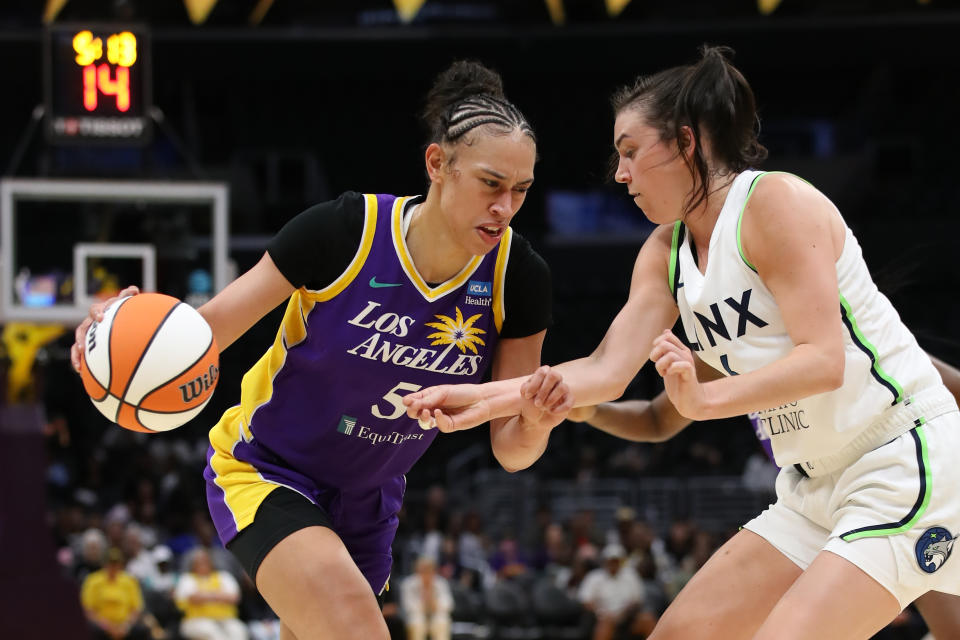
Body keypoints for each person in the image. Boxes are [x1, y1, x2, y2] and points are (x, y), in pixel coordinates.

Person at [404, 46, 960, 640]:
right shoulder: (664, 253)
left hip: (901, 460)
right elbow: (605, 370)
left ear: (686, 143)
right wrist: (488, 398)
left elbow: (823, 362)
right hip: (813, 485)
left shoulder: (773, 202)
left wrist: (704, 402)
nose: (619, 173)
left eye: (630, 151)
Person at [71, 60, 571, 640]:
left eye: (520, 191)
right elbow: (207, 331)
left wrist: (535, 420)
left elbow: (512, 449)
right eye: (491, 184)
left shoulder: (520, 277)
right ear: (438, 164)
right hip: (270, 470)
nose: (505, 207)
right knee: (358, 628)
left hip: (369, 502)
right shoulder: (345, 232)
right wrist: (125, 333)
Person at [568, 352, 960, 639]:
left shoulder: (847, 322)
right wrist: (593, 412)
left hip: (902, 482)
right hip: (817, 494)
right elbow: (656, 419)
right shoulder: (723, 335)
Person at [174, 548, 248, 640]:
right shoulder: (187, 579)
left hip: (226, 619)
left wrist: (206, 595)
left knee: (238, 631)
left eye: (205, 561)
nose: (203, 564)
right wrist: (218, 595)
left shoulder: (223, 576)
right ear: (193, 564)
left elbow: (234, 598)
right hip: (196, 620)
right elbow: (193, 598)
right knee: (212, 632)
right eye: (199, 562)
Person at [80, 547, 149, 640]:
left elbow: (136, 609)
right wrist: (107, 627)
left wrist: (126, 626)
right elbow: (88, 611)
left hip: (125, 625)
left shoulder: (129, 581)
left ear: (120, 564)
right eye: (110, 563)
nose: (113, 566)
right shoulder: (92, 580)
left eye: (116, 563)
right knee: (91, 630)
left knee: (143, 630)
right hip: (101, 625)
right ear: (104, 564)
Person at [400, 555, 454, 640]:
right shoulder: (408, 583)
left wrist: (433, 602)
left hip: (435, 615)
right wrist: (424, 602)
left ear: (434, 571)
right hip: (417, 616)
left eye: (429, 570)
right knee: (417, 621)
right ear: (417, 570)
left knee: (442, 620)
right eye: (423, 570)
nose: (426, 574)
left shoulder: (441, 583)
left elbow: (448, 605)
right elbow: (408, 607)